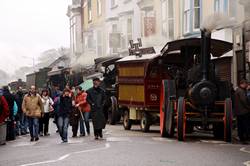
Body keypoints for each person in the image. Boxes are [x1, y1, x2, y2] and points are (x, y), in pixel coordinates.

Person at [235, 79, 250, 144]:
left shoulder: (238, 90)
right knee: (245, 125)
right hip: (244, 111)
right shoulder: (241, 91)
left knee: (240, 125)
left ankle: (241, 137)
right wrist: (248, 107)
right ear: (243, 84)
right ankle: (245, 138)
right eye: (246, 84)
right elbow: (244, 100)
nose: (247, 85)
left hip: (239, 111)